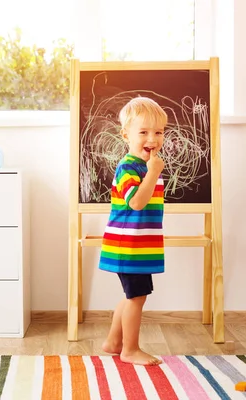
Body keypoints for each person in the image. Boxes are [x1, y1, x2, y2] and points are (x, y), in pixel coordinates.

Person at [98, 96, 167, 366]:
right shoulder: (129, 166)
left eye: (159, 132)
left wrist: (152, 171)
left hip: (138, 246)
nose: (152, 138)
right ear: (126, 134)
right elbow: (136, 202)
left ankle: (114, 343)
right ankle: (130, 349)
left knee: (132, 296)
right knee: (136, 298)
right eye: (144, 132)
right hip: (128, 246)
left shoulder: (146, 167)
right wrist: (153, 172)